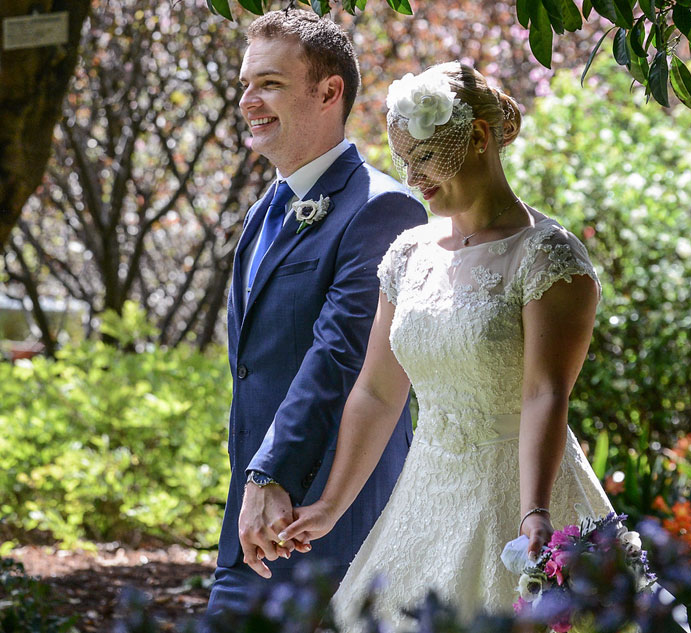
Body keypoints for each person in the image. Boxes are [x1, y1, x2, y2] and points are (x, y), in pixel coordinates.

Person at [279, 62, 617, 626]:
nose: (413, 178)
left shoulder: (548, 256)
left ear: (479, 138)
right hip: (424, 497)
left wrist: (533, 510)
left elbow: (544, 393)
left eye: (426, 158)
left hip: (514, 496)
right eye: (404, 160)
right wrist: (331, 506)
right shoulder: (408, 254)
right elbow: (378, 393)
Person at [206, 9, 428, 618]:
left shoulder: (383, 211)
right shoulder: (262, 213)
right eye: (246, 84)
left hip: (335, 524)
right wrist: (252, 488)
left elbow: (339, 357)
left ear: (329, 92)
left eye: (270, 84)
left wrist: (270, 476)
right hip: (254, 524)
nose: (249, 100)